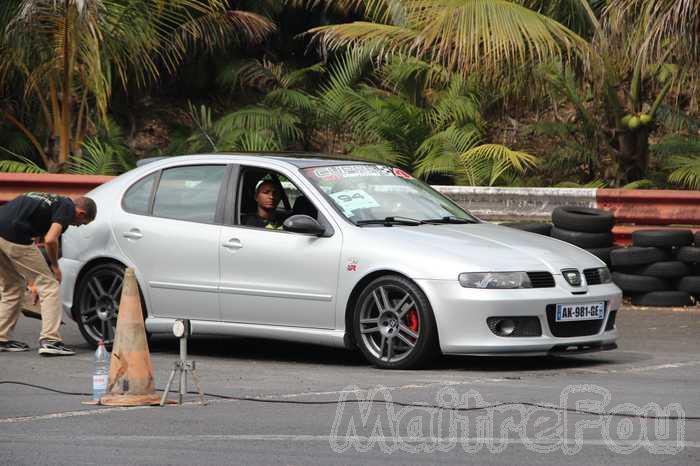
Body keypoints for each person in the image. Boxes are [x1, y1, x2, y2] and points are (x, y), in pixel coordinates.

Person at [0, 192, 96, 355]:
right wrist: (55, 267)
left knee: (13, 285)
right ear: (81, 213)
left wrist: (33, 281)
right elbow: (51, 239)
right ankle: (51, 341)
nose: (78, 226)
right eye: (82, 223)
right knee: (49, 286)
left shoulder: (51, 200)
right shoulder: (66, 207)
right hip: (14, 235)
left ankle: (1, 338)